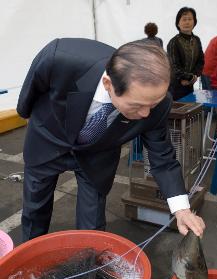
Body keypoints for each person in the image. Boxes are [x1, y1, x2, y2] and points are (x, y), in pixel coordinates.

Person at [17, 39, 205, 242]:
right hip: (49, 140)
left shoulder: (156, 104)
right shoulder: (60, 58)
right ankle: (28, 259)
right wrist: (27, 116)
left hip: (98, 154)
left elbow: (163, 159)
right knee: (35, 210)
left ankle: (88, 270)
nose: (145, 113)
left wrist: (182, 209)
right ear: (108, 84)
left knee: (93, 225)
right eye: (137, 105)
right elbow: (31, 92)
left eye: (153, 104)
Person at [167, 7, 204, 100]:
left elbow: (201, 61)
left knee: (190, 111)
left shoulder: (197, 40)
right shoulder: (173, 42)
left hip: (190, 86)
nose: (187, 22)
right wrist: (186, 78)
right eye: (184, 19)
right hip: (175, 87)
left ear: (194, 22)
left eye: (190, 19)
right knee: (177, 113)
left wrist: (194, 76)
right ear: (178, 23)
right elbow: (173, 66)